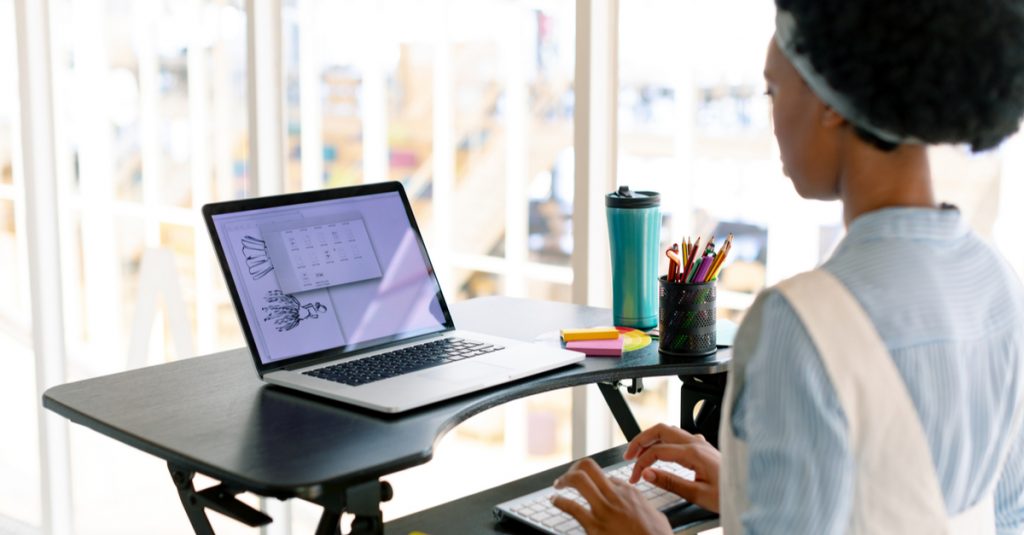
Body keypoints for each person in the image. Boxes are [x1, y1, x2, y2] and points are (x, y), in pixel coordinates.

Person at [552, 0, 1024, 532]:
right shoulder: (997, 282)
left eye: (773, 92)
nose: (772, 122)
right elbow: (993, 515)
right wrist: (755, 489)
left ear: (831, 103)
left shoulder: (799, 324)